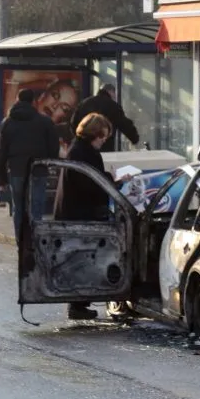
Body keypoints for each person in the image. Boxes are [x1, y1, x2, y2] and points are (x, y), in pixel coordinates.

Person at [54, 112, 131, 320]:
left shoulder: (78, 148)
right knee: (84, 257)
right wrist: (114, 181)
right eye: (102, 137)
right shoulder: (84, 152)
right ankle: (78, 304)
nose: (103, 141)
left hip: (73, 211)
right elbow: (91, 183)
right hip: (80, 213)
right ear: (93, 134)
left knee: (81, 256)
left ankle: (79, 303)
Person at [0, 88, 60, 245]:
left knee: (19, 207)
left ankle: (21, 241)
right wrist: (50, 163)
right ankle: (35, 241)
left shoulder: (7, 123)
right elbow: (54, 147)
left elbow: (1, 152)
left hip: (16, 170)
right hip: (38, 169)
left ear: (17, 100)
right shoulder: (45, 122)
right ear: (34, 102)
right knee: (37, 206)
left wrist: (1, 177)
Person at [70, 83, 140, 152]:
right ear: (111, 92)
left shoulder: (84, 103)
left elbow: (73, 123)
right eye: (115, 95)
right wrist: (134, 138)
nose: (115, 98)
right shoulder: (113, 106)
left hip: (83, 148)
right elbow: (125, 125)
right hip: (105, 149)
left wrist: (79, 139)